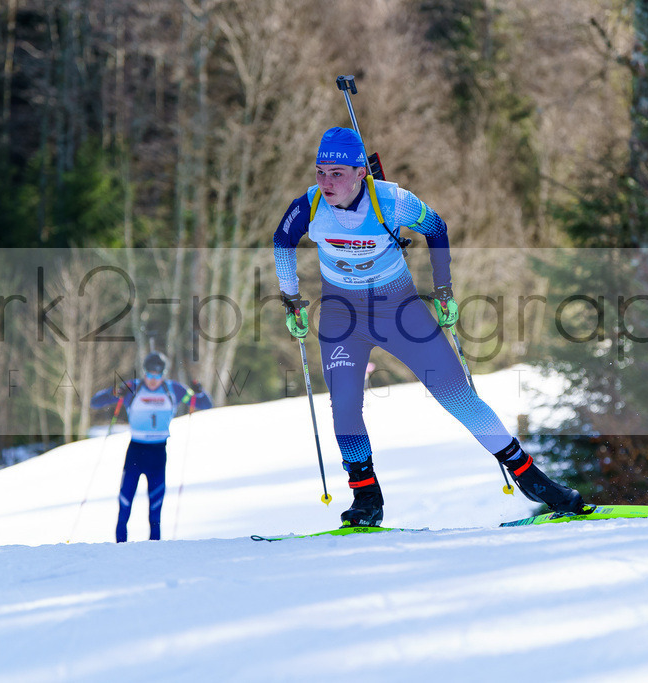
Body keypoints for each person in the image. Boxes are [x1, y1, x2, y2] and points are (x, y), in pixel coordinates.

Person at [273, 126, 586, 527]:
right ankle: (366, 497)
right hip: (341, 316)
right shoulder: (309, 205)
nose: (326, 182)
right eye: (320, 171)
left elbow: (436, 227)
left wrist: (444, 290)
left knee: (456, 395)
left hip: (398, 309)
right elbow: (283, 241)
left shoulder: (391, 201)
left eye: (337, 173)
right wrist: (291, 298)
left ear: (358, 173)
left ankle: (534, 481)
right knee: (345, 406)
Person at [90, 352, 213, 542]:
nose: (153, 380)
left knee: (155, 511)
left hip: (158, 454)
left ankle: (155, 553)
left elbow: (205, 404)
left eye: (157, 376)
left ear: (163, 374)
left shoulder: (174, 389)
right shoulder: (132, 387)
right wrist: (115, 392)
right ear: (144, 372)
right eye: (149, 375)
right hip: (135, 453)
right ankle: (118, 550)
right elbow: (96, 402)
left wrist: (199, 392)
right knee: (124, 505)